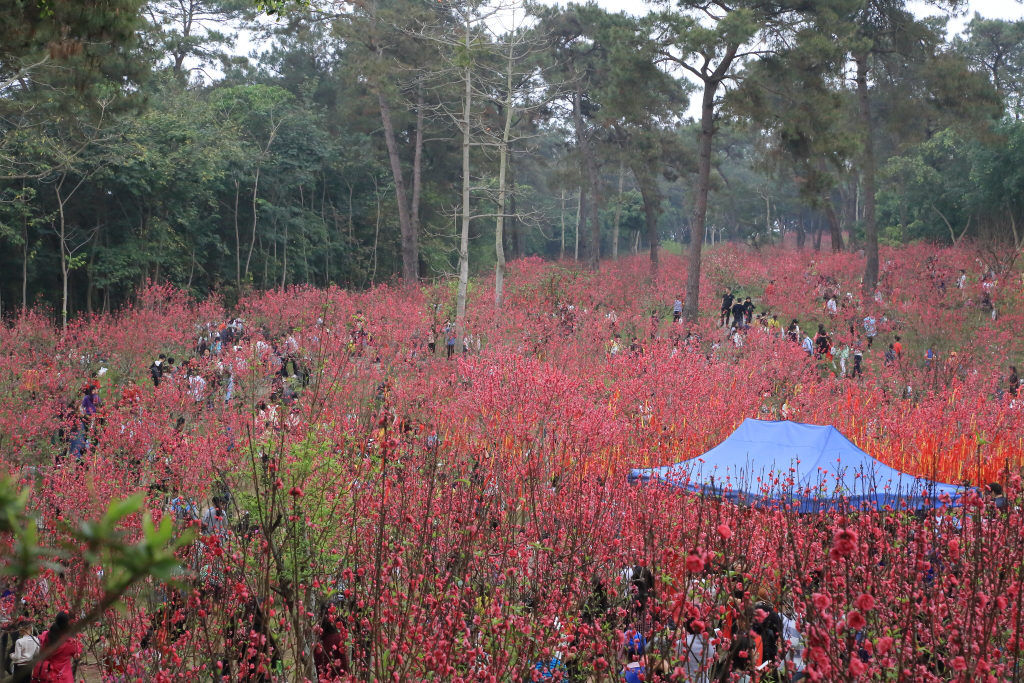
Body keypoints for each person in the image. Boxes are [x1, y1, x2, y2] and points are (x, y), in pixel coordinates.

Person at [34, 612, 81, 683]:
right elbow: (77, 653)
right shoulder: (70, 642)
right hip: (62, 677)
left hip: (46, 675)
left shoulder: (45, 636)